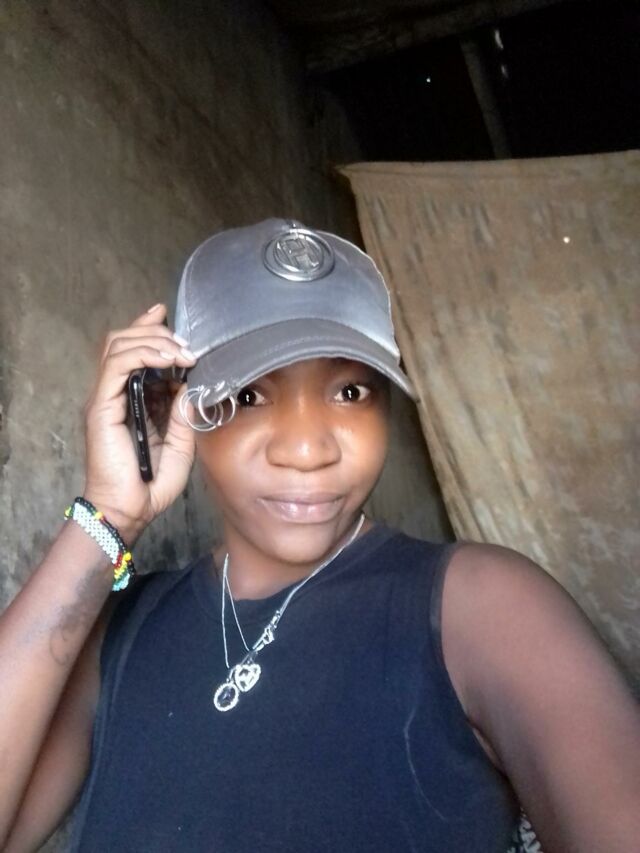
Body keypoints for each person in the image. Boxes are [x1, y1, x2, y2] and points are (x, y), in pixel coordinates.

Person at [0, 219, 638, 853]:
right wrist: (109, 515)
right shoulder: (119, 631)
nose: (307, 450)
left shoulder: (482, 608)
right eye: (249, 395)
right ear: (178, 408)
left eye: (351, 391)